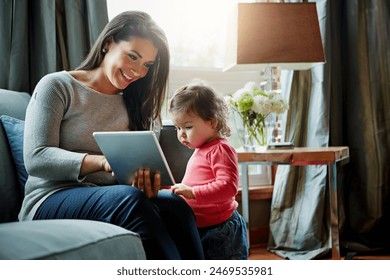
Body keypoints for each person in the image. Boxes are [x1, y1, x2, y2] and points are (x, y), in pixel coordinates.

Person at [18, 11, 204, 260]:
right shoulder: (58, 87)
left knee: (175, 205)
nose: (138, 71)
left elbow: (135, 173)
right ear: (108, 44)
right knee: (130, 200)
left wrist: (144, 179)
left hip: (112, 194)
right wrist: (104, 162)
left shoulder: (139, 103)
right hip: (50, 198)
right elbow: (37, 158)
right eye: (133, 56)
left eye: (147, 65)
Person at [168, 82, 249, 260]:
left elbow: (228, 187)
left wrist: (193, 193)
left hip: (221, 230)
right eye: (177, 128)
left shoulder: (220, 149)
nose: (181, 134)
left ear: (212, 122)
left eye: (187, 127)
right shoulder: (202, 149)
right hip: (203, 227)